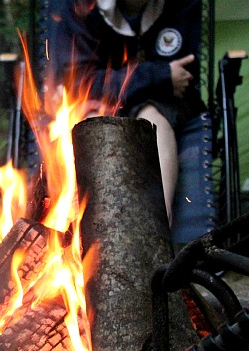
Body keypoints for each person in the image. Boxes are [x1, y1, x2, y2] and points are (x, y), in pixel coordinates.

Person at [46, 0, 206, 224]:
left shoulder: (180, 5)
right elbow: (79, 81)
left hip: (163, 103)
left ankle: (158, 227)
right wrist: (157, 75)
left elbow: (182, 75)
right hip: (100, 102)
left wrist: (127, 81)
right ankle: (99, 228)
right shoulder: (79, 7)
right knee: (93, 125)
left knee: (153, 121)